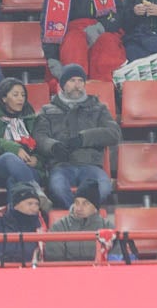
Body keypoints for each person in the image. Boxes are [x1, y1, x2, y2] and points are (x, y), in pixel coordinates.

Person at [41, 0, 125, 90]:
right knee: (74, 42)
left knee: (107, 44)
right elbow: (48, 20)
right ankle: (76, 92)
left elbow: (119, 14)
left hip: (102, 28)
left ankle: (105, 93)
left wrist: (99, 28)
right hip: (71, 31)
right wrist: (52, 57)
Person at [36, 64, 119, 208]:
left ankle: (81, 216)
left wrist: (84, 138)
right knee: (57, 189)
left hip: (90, 165)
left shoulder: (98, 108)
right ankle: (76, 216)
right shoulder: (47, 110)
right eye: (72, 80)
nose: (77, 85)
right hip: (61, 165)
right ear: (63, 84)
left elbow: (113, 133)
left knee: (104, 189)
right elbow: (39, 137)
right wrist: (53, 146)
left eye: (81, 81)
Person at [0, 77, 42, 189]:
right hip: (0, 167)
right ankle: (37, 192)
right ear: (4, 98)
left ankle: (16, 207)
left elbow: (40, 143)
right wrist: (15, 149)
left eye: (23, 95)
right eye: (15, 95)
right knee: (9, 157)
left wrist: (37, 160)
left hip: (29, 168)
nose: (20, 99)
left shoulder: (30, 118)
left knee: (14, 182)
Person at [45, 180, 107, 262]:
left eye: (85, 203)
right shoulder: (58, 227)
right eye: (76, 203)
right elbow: (54, 260)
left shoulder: (107, 227)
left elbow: (115, 259)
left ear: (95, 207)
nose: (79, 208)